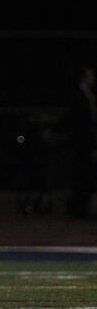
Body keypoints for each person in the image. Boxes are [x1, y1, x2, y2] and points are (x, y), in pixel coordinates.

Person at [63, 63, 96, 219]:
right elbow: (80, 122)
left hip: (86, 142)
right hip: (81, 143)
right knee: (81, 175)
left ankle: (81, 207)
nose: (93, 78)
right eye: (90, 75)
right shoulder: (78, 95)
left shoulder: (88, 94)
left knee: (86, 175)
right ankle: (78, 209)